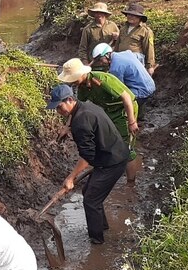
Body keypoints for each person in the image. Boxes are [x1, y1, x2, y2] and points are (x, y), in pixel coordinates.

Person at [47, 85, 129, 244]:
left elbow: (87, 157)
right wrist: (67, 126)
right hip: (112, 152)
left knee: (91, 200)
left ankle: (97, 241)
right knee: (88, 191)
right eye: (56, 108)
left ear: (70, 100)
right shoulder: (86, 106)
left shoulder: (80, 123)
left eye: (60, 107)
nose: (58, 111)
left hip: (112, 161)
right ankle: (102, 226)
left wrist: (71, 178)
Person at [58, 58, 142, 188]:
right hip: (107, 113)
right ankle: (111, 169)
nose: (73, 82)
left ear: (81, 74)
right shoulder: (82, 88)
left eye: (73, 78)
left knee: (126, 148)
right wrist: (66, 127)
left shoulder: (102, 80)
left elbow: (126, 98)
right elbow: (76, 109)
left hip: (123, 110)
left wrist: (131, 121)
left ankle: (130, 183)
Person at [90, 42, 156, 120]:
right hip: (150, 85)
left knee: (118, 100)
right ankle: (140, 114)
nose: (101, 63)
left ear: (107, 55)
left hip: (142, 92)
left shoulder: (116, 68)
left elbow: (118, 89)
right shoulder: (126, 53)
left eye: (101, 60)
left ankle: (131, 118)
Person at [116, 2, 157, 76]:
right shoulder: (123, 29)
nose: (130, 17)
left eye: (134, 15)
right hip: (121, 61)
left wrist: (150, 66)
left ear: (139, 17)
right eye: (129, 14)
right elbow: (117, 45)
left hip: (135, 61)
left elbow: (149, 49)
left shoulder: (145, 31)